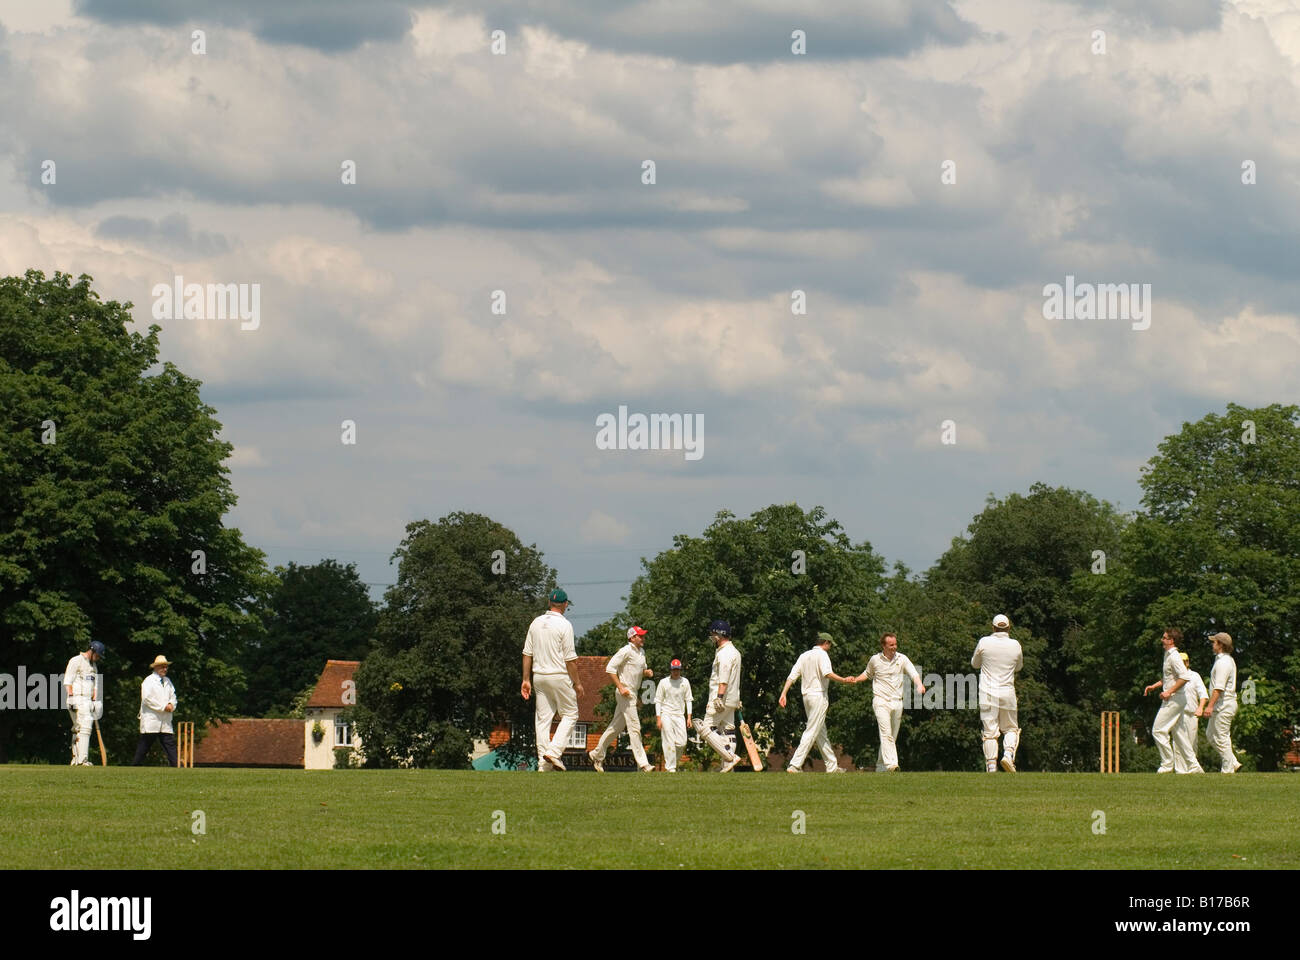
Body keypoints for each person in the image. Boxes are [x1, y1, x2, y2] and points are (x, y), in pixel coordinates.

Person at [521, 588, 585, 771]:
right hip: (558, 675)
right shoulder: (565, 625)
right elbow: (570, 660)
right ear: (565, 605)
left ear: (549, 603)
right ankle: (554, 752)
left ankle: (544, 764)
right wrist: (577, 683)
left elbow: (527, 653)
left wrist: (526, 679)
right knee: (571, 714)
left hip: (538, 676)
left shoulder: (536, 623)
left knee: (542, 720)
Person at [779, 633, 854, 773]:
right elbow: (827, 673)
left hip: (806, 696)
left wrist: (784, 693)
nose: (830, 647)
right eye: (830, 645)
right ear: (826, 643)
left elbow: (792, 676)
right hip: (818, 695)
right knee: (812, 730)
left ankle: (832, 766)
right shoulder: (823, 655)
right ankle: (794, 765)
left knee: (820, 732)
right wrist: (844, 680)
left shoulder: (804, 655)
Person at [854, 632, 925, 772]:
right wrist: (855, 679)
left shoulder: (902, 658)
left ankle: (881, 767)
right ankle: (892, 764)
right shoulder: (875, 660)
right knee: (886, 733)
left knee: (892, 736)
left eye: (895, 644)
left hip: (897, 701)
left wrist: (919, 685)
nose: (894, 647)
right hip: (881, 700)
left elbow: (913, 673)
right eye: (891, 645)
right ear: (883, 646)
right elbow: (867, 674)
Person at [590, 626, 655, 772]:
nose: (643, 638)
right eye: (640, 636)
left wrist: (647, 672)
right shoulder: (625, 650)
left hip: (633, 692)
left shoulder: (641, 652)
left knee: (615, 728)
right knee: (635, 727)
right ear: (632, 638)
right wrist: (620, 687)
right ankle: (643, 764)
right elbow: (610, 668)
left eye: (643, 636)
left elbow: (639, 671)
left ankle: (596, 754)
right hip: (625, 693)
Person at [972, 614, 1023, 773]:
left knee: (990, 732)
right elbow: (1019, 667)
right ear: (1008, 628)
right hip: (1007, 692)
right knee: (1010, 729)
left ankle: (991, 766)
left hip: (987, 692)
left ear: (993, 627)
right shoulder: (1015, 645)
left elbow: (974, 664)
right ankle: (1008, 755)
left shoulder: (984, 642)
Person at [693, 620, 743, 773]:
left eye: (713, 634)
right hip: (732, 699)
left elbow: (724, 678)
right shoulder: (735, 652)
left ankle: (729, 756)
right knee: (728, 731)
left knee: (705, 727)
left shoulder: (725, 653)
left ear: (719, 635)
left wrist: (719, 696)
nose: (712, 637)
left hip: (721, 699)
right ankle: (727, 765)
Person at [1142, 628, 1193, 774]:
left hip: (1174, 699)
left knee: (1158, 730)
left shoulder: (1175, 656)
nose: (1161, 640)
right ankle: (1194, 766)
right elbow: (1169, 678)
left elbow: (1184, 676)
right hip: (1174, 697)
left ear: (1171, 641)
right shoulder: (1167, 655)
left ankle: (1167, 765)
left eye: (1164, 638)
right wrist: (1155, 686)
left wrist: (1169, 691)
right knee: (1179, 734)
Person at [1203, 632, 1241, 773]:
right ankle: (1233, 762)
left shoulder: (1223, 662)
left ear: (1220, 645)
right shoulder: (1224, 660)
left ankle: (1227, 769)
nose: (1212, 644)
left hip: (1224, 704)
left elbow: (1219, 687)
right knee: (1211, 735)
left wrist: (1209, 706)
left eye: (1214, 642)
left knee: (1221, 737)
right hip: (1222, 704)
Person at [63, 641, 105, 767]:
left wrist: (94, 701)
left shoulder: (93, 666)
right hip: (77, 698)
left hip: (88, 701)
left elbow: (95, 685)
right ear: (91, 651)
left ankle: (76, 759)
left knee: (78, 728)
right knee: (85, 727)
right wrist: (71, 697)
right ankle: (83, 760)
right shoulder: (76, 660)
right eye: (97, 655)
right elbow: (68, 680)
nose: (98, 658)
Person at [133, 655, 179, 766]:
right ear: (156, 667)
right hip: (152, 719)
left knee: (169, 744)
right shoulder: (148, 681)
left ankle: (177, 767)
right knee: (145, 745)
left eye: (166, 667)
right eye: (162, 667)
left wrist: (172, 705)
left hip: (165, 720)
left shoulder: (168, 681)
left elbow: (173, 696)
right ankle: (135, 766)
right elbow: (147, 699)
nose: (165, 669)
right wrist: (163, 706)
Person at [655, 659, 692, 773]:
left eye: (678, 670)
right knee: (669, 740)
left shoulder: (685, 682)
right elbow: (658, 701)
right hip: (666, 714)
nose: (676, 672)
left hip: (679, 715)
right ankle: (670, 768)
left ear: (680, 670)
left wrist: (689, 717)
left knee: (682, 742)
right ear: (670, 670)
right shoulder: (663, 682)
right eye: (674, 670)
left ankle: (673, 763)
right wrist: (658, 718)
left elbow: (688, 700)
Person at [1175, 652, 1206, 774]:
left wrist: (1201, 707)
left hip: (1191, 714)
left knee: (1192, 743)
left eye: (1184, 662)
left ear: (1187, 662)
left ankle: (1192, 770)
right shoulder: (1174, 677)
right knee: (1178, 744)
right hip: (1177, 714)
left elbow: (1203, 694)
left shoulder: (1195, 676)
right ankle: (1180, 772)